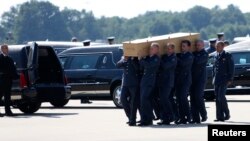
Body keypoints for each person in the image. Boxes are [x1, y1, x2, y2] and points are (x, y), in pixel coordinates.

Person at [138, 42, 160, 126]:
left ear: (157, 50)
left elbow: (149, 66)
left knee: (144, 99)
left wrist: (141, 60)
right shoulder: (148, 58)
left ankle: (148, 117)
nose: (150, 49)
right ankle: (147, 119)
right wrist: (141, 59)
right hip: (144, 80)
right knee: (143, 100)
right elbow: (142, 67)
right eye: (150, 48)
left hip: (150, 81)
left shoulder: (156, 58)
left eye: (153, 48)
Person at [213, 41, 234, 122]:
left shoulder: (227, 55)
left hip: (224, 79)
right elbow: (214, 68)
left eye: (218, 46)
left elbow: (231, 68)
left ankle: (227, 113)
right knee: (217, 99)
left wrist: (230, 79)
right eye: (216, 46)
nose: (216, 47)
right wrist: (213, 78)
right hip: (217, 79)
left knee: (221, 96)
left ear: (222, 47)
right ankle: (219, 117)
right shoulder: (215, 55)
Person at [117, 56, 140, 126]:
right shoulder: (124, 57)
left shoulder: (135, 58)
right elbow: (118, 65)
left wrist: (132, 59)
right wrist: (124, 59)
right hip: (125, 83)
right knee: (122, 99)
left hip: (134, 83)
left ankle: (132, 120)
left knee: (133, 102)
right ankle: (130, 117)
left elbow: (138, 68)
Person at [157, 43, 177, 125]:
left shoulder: (174, 58)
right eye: (167, 48)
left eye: (169, 49)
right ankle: (165, 118)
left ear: (173, 49)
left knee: (165, 98)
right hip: (162, 81)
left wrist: (159, 59)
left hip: (168, 81)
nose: (168, 50)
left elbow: (165, 66)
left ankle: (171, 115)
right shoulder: (164, 57)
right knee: (161, 99)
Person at [175, 40, 193, 124]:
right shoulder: (179, 55)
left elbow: (183, 63)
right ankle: (182, 117)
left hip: (186, 80)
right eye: (182, 46)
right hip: (178, 80)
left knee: (183, 97)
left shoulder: (190, 56)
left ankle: (189, 116)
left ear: (189, 47)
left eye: (184, 46)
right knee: (178, 99)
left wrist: (176, 58)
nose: (182, 48)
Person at [190, 40, 208, 124]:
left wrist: (191, 56)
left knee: (198, 96)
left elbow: (197, 61)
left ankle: (203, 114)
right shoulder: (194, 53)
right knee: (193, 98)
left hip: (200, 79)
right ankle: (195, 118)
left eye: (199, 45)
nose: (197, 46)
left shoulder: (205, 53)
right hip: (193, 79)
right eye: (196, 45)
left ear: (203, 45)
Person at [0, 44, 18, 117]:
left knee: (7, 97)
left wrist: (16, 76)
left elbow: (13, 69)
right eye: (4, 49)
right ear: (1, 50)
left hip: (8, 80)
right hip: (1, 79)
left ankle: (8, 112)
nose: (5, 50)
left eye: (6, 49)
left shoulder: (10, 58)